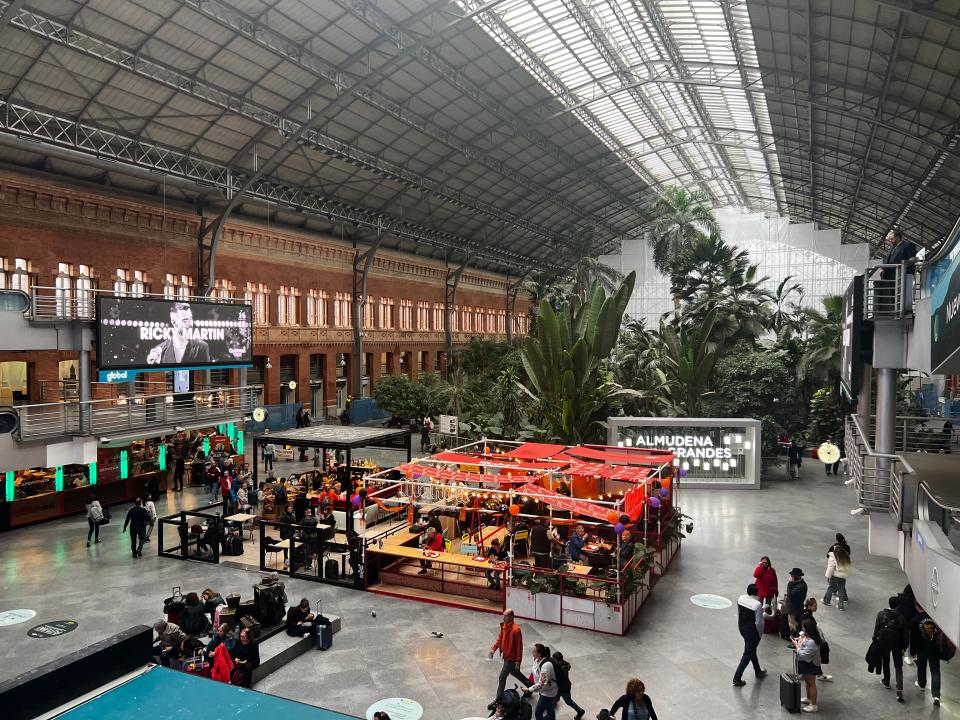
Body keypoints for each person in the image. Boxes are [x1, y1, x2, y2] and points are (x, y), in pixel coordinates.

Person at [146, 302, 211, 365]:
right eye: (185, 320)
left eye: (191, 318)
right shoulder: (160, 350)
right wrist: (154, 365)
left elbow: (204, 373)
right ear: (174, 323)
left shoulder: (202, 347)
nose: (191, 324)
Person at [489, 608, 532, 700]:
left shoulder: (516, 630)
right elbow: (500, 639)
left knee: (502, 677)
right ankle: (531, 686)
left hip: (510, 659)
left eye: (506, 616)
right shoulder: (504, 626)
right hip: (506, 656)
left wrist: (518, 662)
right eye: (503, 615)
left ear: (511, 617)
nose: (504, 618)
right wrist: (493, 649)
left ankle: (498, 699)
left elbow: (519, 647)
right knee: (516, 674)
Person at [732, 583, 767, 687]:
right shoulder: (757, 605)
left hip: (742, 628)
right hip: (752, 632)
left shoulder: (740, 598)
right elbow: (758, 623)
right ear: (756, 593)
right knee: (747, 653)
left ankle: (758, 670)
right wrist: (760, 633)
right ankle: (737, 678)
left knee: (751, 649)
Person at [874, 595, 907, 702]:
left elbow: (877, 628)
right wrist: (904, 647)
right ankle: (899, 690)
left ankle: (886, 681)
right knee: (898, 666)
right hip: (897, 644)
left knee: (886, 660)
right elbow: (905, 635)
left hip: (884, 641)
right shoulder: (901, 618)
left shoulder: (881, 614)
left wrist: (875, 639)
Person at [793, 619, 824, 713]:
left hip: (811, 664)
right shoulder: (809, 637)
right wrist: (801, 640)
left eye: (804, 628)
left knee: (811, 684)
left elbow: (804, 654)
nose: (802, 629)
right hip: (807, 663)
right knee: (807, 681)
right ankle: (808, 698)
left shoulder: (812, 642)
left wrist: (797, 646)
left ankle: (813, 704)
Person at [522, 643, 558, 720]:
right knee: (549, 708)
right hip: (543, 690)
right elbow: (535, 673)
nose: (532, 652)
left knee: (538, 713)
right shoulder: (537, 660)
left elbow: (542, 684)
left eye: (534, 651)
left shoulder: (546, 665)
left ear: (539, 654)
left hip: (548, 692)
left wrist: (529, 689)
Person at [914, 615, 943, 705]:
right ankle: (936, 695)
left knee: (921, 666)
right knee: (935, 671)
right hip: (934, 649)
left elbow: (913, 636)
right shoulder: (937, 616)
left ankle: (921, 684)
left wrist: (912, 651)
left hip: (921, 648)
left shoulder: (916, 619)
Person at [550, 650, 585, 720]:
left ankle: (580, 711)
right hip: (560, 687)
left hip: (564, 688)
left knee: (568, 702)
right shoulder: (562, 664)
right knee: (555, 695)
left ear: (558, 660)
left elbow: (559, 679)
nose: (553, 661)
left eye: (554, 660)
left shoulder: (561, 669)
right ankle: (554, 702)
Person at [786, 567, 808, 633]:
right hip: (794, 607)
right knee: (792, 622)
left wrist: (790, 584)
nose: (791, 577)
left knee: (792, 623)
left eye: (792, 576)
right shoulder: (798, 584)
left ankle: (795, 635)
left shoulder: (801, 586)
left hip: (795, 608)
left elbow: (790, 594)